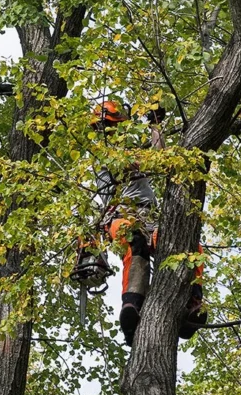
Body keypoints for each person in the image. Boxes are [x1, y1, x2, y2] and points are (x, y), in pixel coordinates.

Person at [78, 100, 205, 345]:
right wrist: (151, 126)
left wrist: (155, 125)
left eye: (113, 127)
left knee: (190, 248)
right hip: (120, 217)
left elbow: (165, 162)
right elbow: (154, 161)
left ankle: (192, 304)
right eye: (106, 128)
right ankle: (132, 306)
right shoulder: (103, 156)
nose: (110, 133)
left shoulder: (130, 150)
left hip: (151, 216)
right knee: (136, 244)